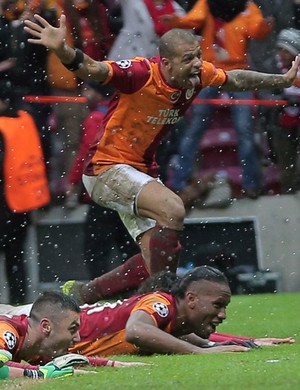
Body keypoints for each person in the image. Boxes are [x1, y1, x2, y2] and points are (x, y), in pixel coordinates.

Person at [23, 13, 300, 305]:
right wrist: (63, 50)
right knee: (172, 209)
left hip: (139, 172)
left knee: (156, 258)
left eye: (197, 56)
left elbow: (234, 79)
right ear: (166, 63)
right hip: (106, 169)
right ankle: (165, 303)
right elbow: (92, 69)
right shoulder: (140, 73)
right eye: (188, 59)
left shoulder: (198, 74)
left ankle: (84, 294)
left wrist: (279, 79)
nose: (196, 64)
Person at [1, 267, 295, 358]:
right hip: (36, 321)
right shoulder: (161, 303)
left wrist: (246, 341)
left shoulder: (172, 320)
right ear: (190, 299)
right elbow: (137, 332)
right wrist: (201, 354)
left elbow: (195, 338)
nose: (222, 314)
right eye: (218, 305)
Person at [161, 0, 274, 200]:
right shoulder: (207, 3)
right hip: (209, 70)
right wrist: (178, 21)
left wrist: (264, 27)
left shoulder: (246, 7)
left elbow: (255, 30)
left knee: (244, 129)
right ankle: (179, 181)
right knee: (196, 127)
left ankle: (252, 184)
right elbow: (193, 20)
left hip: (237, 71)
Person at [65, 80, 138, 277]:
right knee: (128, 246)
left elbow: (87, 153)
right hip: (125, 191)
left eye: (88, 88)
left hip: (102, 192)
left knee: (95, 249)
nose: (84, 93)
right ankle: (133, 292)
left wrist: (72, 181)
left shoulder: (96, 117)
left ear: (98, 93)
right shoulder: (125, 113)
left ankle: (99, 294)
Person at [0, 290, 147, 380]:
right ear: (46, 326)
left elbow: (63, 362)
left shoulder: (31, 343)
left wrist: (112, 364)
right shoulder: (6, 330)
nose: (77, 338)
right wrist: (43, 373)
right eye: (72, 329)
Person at [0, 79, 50, 304]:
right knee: (16, 259)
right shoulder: (26, 118)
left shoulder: (1, 126)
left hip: (5, 203)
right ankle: (19, 306)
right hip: (24, 201)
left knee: (12, 258)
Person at [272, 28, 300, 193]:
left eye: (286, 50)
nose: (281, 54)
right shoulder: (272, 66)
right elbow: (264, 92)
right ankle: (288, 191)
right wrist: (280, 99)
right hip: (282, 119)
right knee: (285, 159)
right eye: (279, 49)